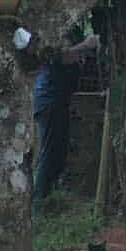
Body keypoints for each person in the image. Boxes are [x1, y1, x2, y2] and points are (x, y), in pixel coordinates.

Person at [32, 32, 101, 201]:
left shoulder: (68, 31)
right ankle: (38, 201)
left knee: (58, 153)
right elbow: (60, 58)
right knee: (49, 153)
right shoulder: (51, 32)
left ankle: (49, 197)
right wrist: (86, 45)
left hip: (58, 100)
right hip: (49, 99)